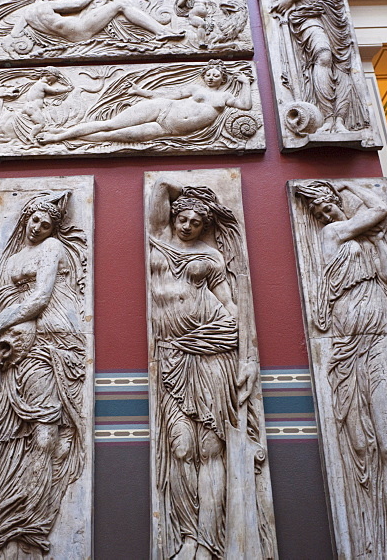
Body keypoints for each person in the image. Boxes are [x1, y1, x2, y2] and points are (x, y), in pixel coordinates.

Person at [294, 180, 387, 557]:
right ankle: (380, 535)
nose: (325, 214)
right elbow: (380, 211)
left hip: (385, 338)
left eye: (328, 206)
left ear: (338, 202)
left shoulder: (363, 239)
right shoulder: (331, 234)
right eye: (319, 212)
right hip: (349, 346)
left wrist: (377, 240)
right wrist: (349, 191)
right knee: (363, 444)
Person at [147, 181, 261, 559]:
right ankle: (189, 536)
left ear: (204, 226)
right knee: (181, 447)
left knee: (211, 448)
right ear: (175, 215)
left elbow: (230, 305)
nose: (188, 225)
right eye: (184, 217)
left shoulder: (211, 256)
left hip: (215, 349)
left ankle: (211, 542)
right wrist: (202, 196)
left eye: (197, 221)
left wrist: (248, 357)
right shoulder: (157, 238)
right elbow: (161, 186)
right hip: (172, 355)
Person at [0, 192, 89, 558]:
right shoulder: (14, 254)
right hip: (17, 345)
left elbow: (40, 297)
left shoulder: (52, 248)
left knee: (46, 434)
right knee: (16, 432)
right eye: (35, 220)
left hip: (48, 339)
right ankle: (10, 511)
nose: (38, 227)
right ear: (26, 218)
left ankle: (29, 518)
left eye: (46, 223)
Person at [261, 0, 370, 136]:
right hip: (303, 12)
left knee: (340, 65)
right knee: (323, 55)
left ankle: (340, 120)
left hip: (325, 5)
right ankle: (325, 117)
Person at [37, 60, 251, 144]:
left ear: (223, 79)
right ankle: (60, 135)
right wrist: (142, 92)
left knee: (111, 137)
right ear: (204, 75)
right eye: (209, 74)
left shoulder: (224, 97)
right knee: (110, 124)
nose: (212, 77)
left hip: (168, 129)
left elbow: (246, 106)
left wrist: (245, 84)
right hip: (163, 108)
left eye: (216, 75)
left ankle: (62, 138)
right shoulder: (195, 88)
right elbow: (171, 94)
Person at [9, 0, 185, 45]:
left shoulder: (27, 14)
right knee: (120, 5)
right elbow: (77, 4)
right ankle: (161, 31)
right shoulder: (47, 4)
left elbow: (15, 34)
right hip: (82, 29)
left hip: (71, 37)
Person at [0, 68, 73, 146]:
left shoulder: (35, 85)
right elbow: (55, 90)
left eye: (52, 82)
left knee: (35, 121)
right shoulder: (42, 85)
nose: (50, 83)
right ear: (47, 75)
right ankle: (31, 136)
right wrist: (67, 89)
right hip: (33, 108)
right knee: (41, 124)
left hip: (26, 107)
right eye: (50, 81)